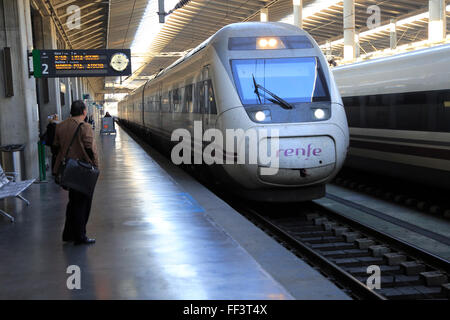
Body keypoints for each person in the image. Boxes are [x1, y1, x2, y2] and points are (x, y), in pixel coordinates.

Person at [53, 100, 99, 245]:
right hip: (82, 170)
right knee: (82, 204)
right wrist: (95, 166)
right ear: (84, 112)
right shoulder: (85, 126)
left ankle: (68, 234)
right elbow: (89, 148)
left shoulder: (60, 126)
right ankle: (80, 236)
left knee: (73, 202)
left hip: (68, 169)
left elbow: (55, 147)